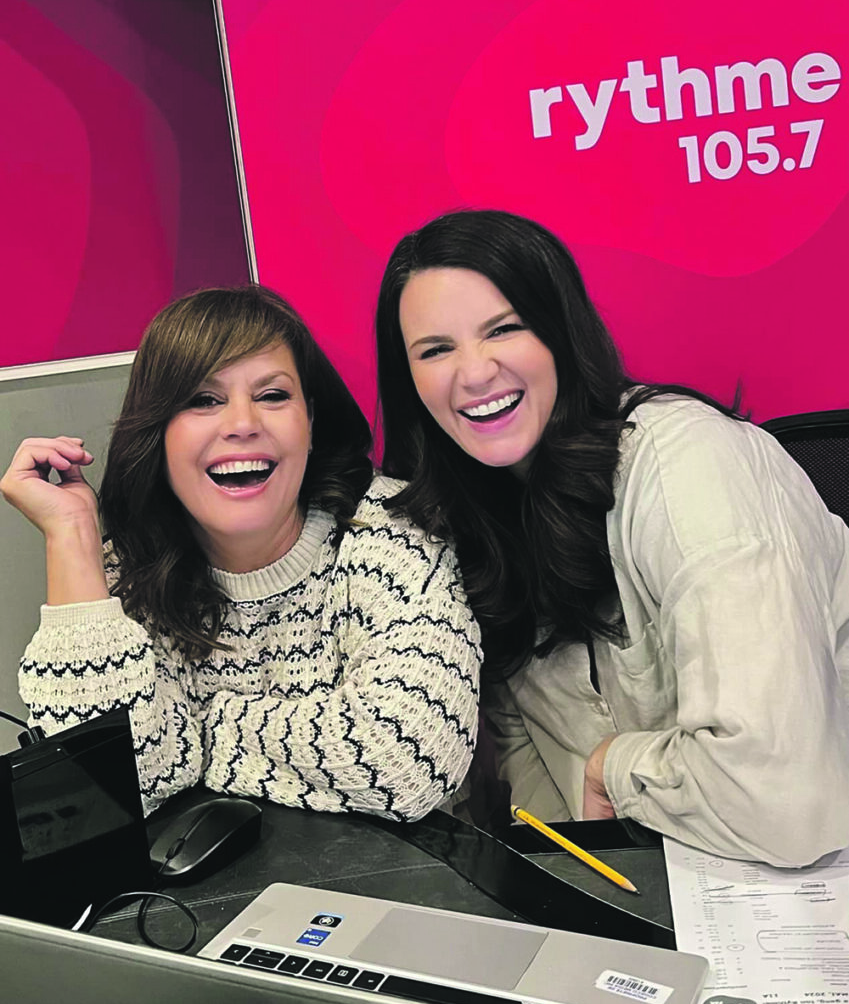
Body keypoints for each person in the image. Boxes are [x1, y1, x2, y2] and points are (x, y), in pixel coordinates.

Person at [374, 209, 849, 866]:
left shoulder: (689, 463)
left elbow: (781, 800)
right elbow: (535, 785)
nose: (473, 372)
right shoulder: (468, 519)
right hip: (667, 892)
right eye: (434, 350)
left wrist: (611, 769)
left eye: (504, 329)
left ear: (561, 334)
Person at [2, 285, 481, 819]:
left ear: (310, 420)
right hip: (208, 899)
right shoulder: (124, 575)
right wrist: (72, 538)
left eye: (272, 395)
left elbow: (408, 765)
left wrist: (199, 729)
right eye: (204, 400)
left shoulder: (390, 529)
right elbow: (98, 792)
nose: (242, 424)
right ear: (157, 430)